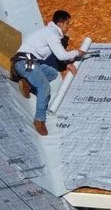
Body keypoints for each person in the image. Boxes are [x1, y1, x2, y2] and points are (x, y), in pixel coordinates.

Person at [12, 9, 91, 137]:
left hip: (29, 62)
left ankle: (27, 83)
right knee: (44, 86)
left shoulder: (49, 32)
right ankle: (39, 120)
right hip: (24, 63)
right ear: (60, 23)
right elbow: (61, 55)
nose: (67, 27)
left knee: (52, 73)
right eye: (67, 23)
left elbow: (57, 54)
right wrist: (77, 53)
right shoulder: (52, 34)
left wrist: (67, 64)